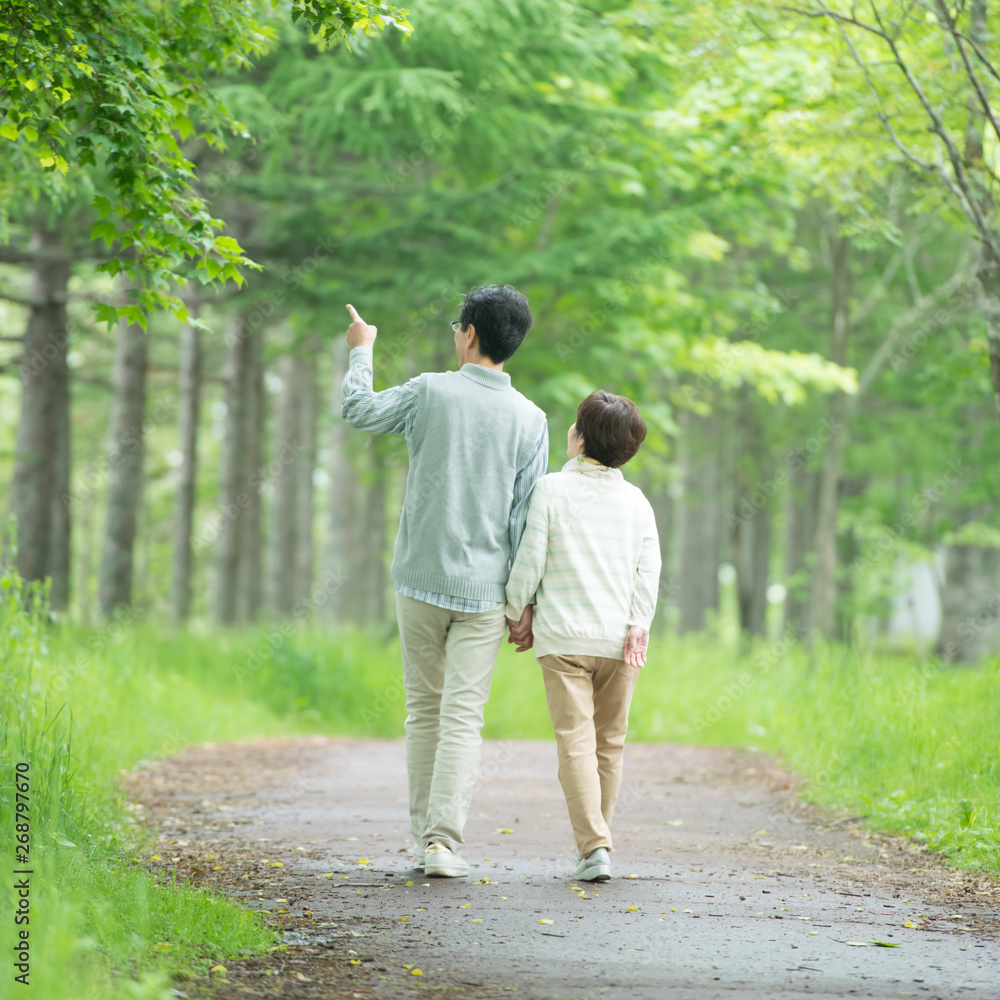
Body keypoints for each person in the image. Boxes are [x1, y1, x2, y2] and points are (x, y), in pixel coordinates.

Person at [340, 285, 547, 878]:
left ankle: (421, 841)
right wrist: (524, 604)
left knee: (423, 713)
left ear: (471, 333)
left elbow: (358, 409)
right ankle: (442, 843)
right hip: (486, 593)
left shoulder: (428, 391)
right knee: (463, 718)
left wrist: (361, 348)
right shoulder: (531, 419)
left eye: (458, 326)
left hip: (419, 580)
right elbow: (524, 520)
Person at [504, 390, 660, 882]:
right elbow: (648, 572)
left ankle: (594, 847)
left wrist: (516, 610)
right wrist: (639, 623)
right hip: (619, 642)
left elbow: (530, 559)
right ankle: (597, 848)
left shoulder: (551, 489)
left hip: (565, 640)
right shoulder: (637, 502)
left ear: (581, 439)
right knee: (609, 744)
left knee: (575, 742)